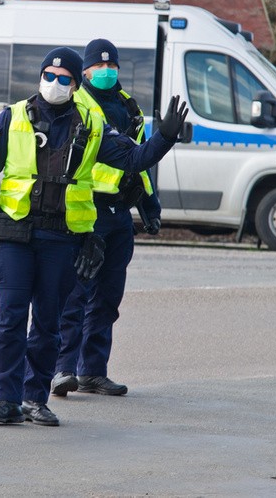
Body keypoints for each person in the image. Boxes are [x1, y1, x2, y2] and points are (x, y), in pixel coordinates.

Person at [0, 46, 187, 427]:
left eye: (63, 78)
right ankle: (5, 400)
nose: (55, 83)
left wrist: (163, 138)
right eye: (48, 76)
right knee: (11, 320)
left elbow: (133, 160)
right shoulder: (13, 116)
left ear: (75, 81)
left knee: (48, 324)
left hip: (61, 238)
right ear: (40, 77)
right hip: (14, 234)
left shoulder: (91, 125)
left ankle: (36, 399)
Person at [51, 39, 160, 398]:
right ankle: (62, 369)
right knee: (75, 293)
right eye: (98, 66)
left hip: (119, 213)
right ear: (84, 72)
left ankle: (93, 372)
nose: (105, 70)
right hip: (87, 209)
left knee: (108, 297)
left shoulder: (129, 106)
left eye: (111, 65)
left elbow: (140, 159)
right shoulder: (78, 104)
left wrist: (149, 203)